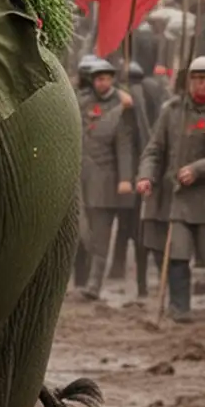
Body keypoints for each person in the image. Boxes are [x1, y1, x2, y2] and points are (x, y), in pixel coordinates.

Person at [137, 57, 205, 322]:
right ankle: (180, 308)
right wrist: (146, 176)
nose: (201, 84)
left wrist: (198, 169)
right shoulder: (170, 111)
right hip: (178, 198)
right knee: (178, 254)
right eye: (196, 79)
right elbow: (154, 149)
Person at [76, 56, 136, 301]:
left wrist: (125, 178)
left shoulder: (121, 107)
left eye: (106, 78)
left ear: (112, 80)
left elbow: (125, 146)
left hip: (105, 181)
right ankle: (80, 279)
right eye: (98, 79)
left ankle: (94, 285)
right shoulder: (84, 103)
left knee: (101, 237)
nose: (102, 83)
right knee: (83, 234)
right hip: (81, 179)